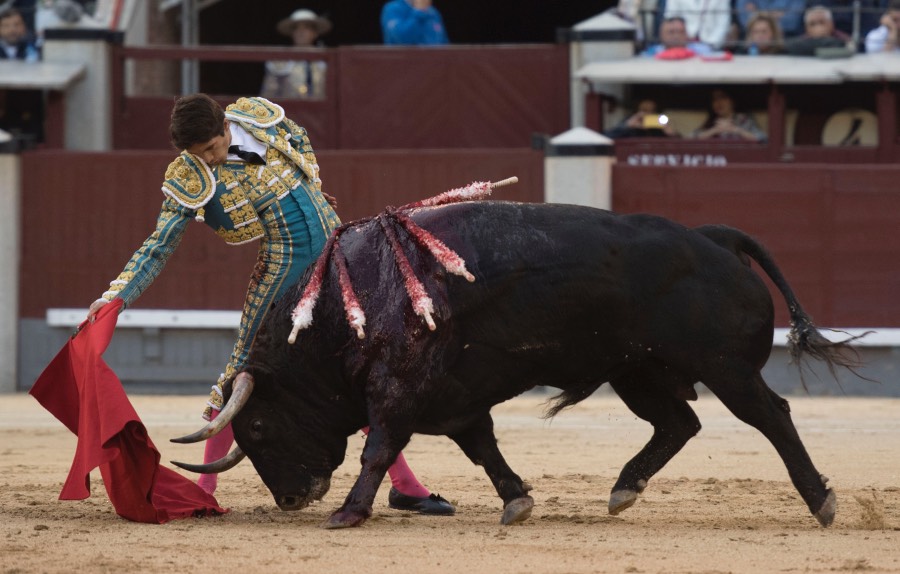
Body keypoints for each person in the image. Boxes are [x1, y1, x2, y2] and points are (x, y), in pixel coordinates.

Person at [86, 94, 455, 515]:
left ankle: (403, 484)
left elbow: (301, 144)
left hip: (340, 258)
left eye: (212, 147)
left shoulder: (259, 119)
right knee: (242, 368)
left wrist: (314, 192)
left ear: (225, 125)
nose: (211, 159)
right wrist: (116, 296)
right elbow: (158, 247)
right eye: (200, 154)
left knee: (361, 367)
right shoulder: (190, 176)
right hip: (283, 272)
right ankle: (204, 489)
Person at [261, 9, 331, 100]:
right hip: (289, 112)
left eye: (307, 27)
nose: (301, 31)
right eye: (296, 28)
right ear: (292, 33)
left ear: (315, 33)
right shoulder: (280, 60)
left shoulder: (325, 59)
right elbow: (269, 92)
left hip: (323, 112)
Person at [0, 7, 43, 143]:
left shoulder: (32, 46)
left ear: (24, 26)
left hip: (29, 102)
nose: (12, 30)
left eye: (17, 25)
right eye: (6, 26)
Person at [692, 88, 767, 142]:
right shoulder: (711, 122)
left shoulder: (742, 119)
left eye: (722, 97)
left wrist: (735, 130)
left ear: (732, 101)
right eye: (714, 99)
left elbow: (762, 138)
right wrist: (714, 130)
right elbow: (690, 139)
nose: (718, 102)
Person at [785, 5, 852, 55]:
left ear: (831, 24)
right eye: (812, 24)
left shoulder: (844, 39)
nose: (818, 27)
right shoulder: (799, 42)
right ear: (806, 28)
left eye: (821, 22)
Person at [663, 0, 732, 47]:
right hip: (683, 45)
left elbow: (723, 24)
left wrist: (711, 45)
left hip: (711, 44)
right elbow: (671, 19)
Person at [603, 98, 681, 138]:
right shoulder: (631, 124)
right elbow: (606, 137)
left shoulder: (659, 128)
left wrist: (671, 134)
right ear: (637, 112)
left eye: (651, 111)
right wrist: (627, 126)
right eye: (644, 110)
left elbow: (681, 144)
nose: (647, 114)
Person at [381, 0, 448, 45]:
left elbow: (444, 43)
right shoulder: (393, 9)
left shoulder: (433, 12)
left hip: (433, 63)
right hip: (405, 63)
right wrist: (419, 11)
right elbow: (403, 39)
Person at [642, 16, 714, 56]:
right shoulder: (650, 54)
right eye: (671, 32)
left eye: (681, 32)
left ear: (687, 34)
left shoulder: (704, 51)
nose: (676, 36)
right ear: (661, 35)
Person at [736, 0, 806, 38]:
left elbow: (792, 23)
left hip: (787, 42)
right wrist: (775, 16)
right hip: (751, 44)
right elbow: (746, 21)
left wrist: (758, 13)